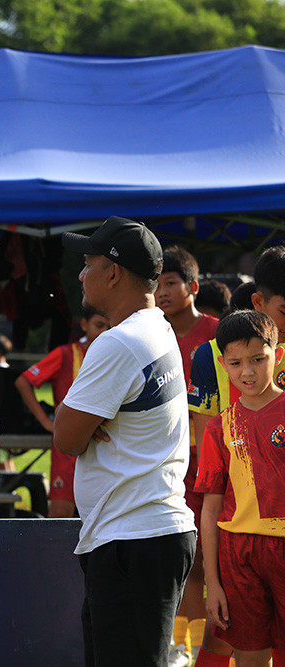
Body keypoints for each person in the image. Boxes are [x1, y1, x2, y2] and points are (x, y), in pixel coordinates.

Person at [54, 216, 196, 667]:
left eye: (88, 263)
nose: (80, 274)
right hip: (143, 534)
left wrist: (84, 417)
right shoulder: (156, 327)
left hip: (133, 539)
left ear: (113, 272)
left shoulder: (119, 342)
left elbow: (66, 436)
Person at [188, 246, 285, 664]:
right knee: (237, 642)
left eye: (258, 361)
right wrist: (214, 577)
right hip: (237, 542)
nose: (247, 371)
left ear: (275, 356)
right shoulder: (217, 419)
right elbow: (209, 500)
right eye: (236, 363)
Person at [155, 246, 220, 627]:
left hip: (209, 456)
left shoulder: (217, 333)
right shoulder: (152, 331)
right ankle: (183, 641)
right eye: (158, 284)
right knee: (178, 550)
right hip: (164, 456)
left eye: (172, 283)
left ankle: (200, 641)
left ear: (192, 286)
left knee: (205, 553)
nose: (163, 292)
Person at [15, 307, 110, 518]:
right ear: (84, 325)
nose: (105, 332)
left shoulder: (116, 353)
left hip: (104, 446)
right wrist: (46, 421)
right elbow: (24, 381)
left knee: (103, 517)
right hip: (67, 450)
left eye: (110, 327)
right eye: (99, 326)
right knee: (60, 514)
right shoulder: (66, 353)